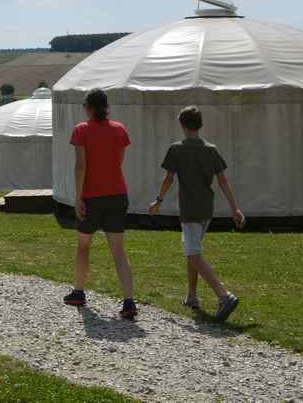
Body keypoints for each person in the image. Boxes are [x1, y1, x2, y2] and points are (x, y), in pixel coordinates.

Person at [149, 106, 245, 323]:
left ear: (182, 125)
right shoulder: (211, 150)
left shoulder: (177, 149)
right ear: (199, 124)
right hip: (206, 208)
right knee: (193, 251)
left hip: (190, 209)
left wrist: (158, 200)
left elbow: (169, 179)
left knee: (193, 253)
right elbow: (222, 181)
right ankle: (192, 296)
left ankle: (224, 296)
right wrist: (234, 208)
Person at [63, 88, 138, 320]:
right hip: (117, 194)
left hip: (91, 196)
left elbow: (80, 166)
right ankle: (128, 300)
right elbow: (119, 162)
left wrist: (78, 198)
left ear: (88, 107)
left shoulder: (81, 130)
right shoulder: (119, 130)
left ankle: (78, 291)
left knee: (84, 245)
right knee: (117, 250)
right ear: (106, 107)